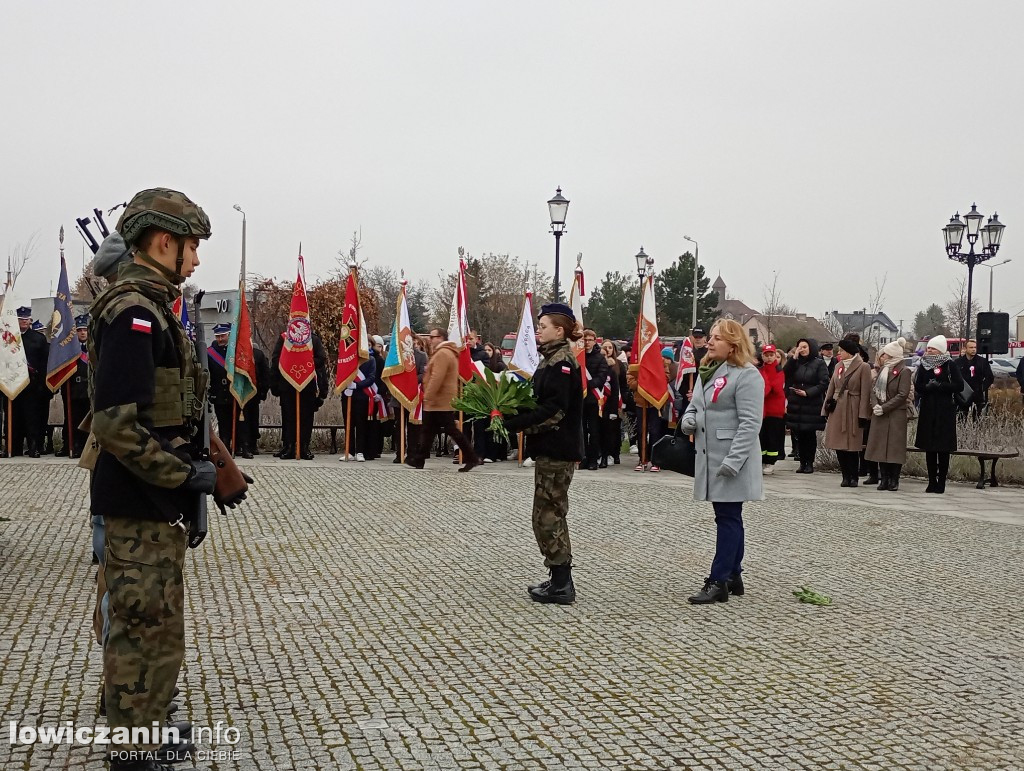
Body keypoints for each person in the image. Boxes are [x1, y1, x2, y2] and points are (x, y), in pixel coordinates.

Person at [88, 187, 216, 769]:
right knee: (140, 621)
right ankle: (132, 748)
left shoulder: (155, 307)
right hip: (139, 500)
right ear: (163, 242)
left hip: (155, 503)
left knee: (157, 618)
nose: (195, 260)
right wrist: (187, 475)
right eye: (191, 248)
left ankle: (148, 725)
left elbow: (175, 410)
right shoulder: (133, 313)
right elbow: (117, 425)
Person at [502, 303, 585, 604]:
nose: (538, 330)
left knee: (548, 515)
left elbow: (555, 410)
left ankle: (562, 583)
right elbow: (540, 401)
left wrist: (517, 424)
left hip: (557, 448)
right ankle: (558, 578)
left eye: (543, 326)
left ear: (559, 330)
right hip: (551, 448)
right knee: (546, 514)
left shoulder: (561, 363)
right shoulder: (550, 359)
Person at [680, 319, 763, 604]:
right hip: (710, 456)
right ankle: (732, 574)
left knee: (728, 517)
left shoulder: (747, 375)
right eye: (711, 337)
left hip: (730, 458)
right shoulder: (709, 371)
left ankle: (718, 581)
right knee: (728, 516)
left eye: (717, 338)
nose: (710, 342)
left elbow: (751, 423)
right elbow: (696, 405)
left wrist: (734, 461)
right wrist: (689, 418)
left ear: (733, 346)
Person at [406, 328, 480, 471]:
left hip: (439, 400)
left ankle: (472, 457)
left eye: (433, 337)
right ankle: (419, 459)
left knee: (451, 431)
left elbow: (437, 377)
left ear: (441, 338)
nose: (430, 339)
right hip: (439, 400)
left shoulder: (443, 354)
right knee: (428, 431)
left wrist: (428, 395)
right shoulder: (444, 353)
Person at [914, 335, 963, 494]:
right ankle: (931, 481)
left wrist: (941, 385)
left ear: (940, 350)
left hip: (945, 410)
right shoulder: (923, 365)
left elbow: (959, 385)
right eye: (928, 348)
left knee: (943, 448)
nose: (929, 350)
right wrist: (927, 387)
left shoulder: (950, 364)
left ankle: (941, 481)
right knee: (929, 448)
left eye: (933, 348)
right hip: (928, 409)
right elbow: (918, 385)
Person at [270, 328, 329, 460]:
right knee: (288, 417)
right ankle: (289, 446)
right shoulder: (284, 338)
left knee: (306, 418)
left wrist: (304, 361)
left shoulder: (313, 339)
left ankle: (304, 447)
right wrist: (274, 384)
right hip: (287, 386)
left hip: (307, 386)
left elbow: (321, 359)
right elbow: (276, 360)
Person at [822, 339, 872, 487]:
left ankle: (854, 476)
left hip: (853, 407)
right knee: (838, 444)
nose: (838, 353)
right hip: (838, 408)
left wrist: (863, 414)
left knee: (852, 446)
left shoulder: (863, 367)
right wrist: (825, 408)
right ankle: (845, 476)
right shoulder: (838, 366)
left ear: (849, 352)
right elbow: (832, 387)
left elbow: (866, 392)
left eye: (841, 350)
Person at [866, 338, 911, 491]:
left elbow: (902, 394)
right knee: (880, 447)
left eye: (884, 355)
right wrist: (875, 405)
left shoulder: (904, 371)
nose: (882, 357)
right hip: (880, 413)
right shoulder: (883, 370)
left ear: (892, 356)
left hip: (895, 414)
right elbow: (873, 390)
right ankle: (883, 478)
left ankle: (894, 479)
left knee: (894, 448)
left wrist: (884, 407)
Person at [783, 338, 829, 474]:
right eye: (799, 347)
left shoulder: (819, 363)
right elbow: (785, 373)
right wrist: (793, 357)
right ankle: (802, 462)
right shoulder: (795, 362)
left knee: (809, 434)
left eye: (804, 347)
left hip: (811, 403)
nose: (802, 349)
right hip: (797, 403)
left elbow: (824, 382)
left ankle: (809, 462)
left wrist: (808, 392)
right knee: (799, 434)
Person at [11, 307, 49, 457]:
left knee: (32, 417)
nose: (24, 321)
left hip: (32, 385)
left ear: (30, 320)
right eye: (21, 319)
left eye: (26, 319)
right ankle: (13, 447)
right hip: (13, 383)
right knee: (14, 416)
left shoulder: (38, 338)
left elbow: (44, 363)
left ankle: (34, 446)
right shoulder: (9, 338)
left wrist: (42, 385)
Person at [55, 314, 91, 458]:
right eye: (79, 330)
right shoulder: (69, 349)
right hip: (73, 388)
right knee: (72, 418)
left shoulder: (94, 347)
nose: (82, 333)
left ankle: (87, 446)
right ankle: (72, 445)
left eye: (85, 330)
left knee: (88, 419)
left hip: (89, 388)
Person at [340, 352, 377, 462]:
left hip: (362, 396)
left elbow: (371, 378)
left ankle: (360, 451)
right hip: (347, 395)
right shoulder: (347, 358)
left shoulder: (370, 360)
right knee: (348, 424)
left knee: (361, 425)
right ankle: (349, 451)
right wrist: (345, 386)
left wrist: (357, 385)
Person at [581, 328, 609, 470]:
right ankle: (583, 458)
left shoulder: (600, 358)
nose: (587, 342)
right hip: (580, 400)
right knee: (581, 431)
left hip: (593, 399)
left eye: (590, 340)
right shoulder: (578, 357)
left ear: (594, 341)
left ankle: (593, 460)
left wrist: (587, 385)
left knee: (594, 431)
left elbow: (601, 377)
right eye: (585, 340)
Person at [758, 344, 786, 474]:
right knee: (762, 436)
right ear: (762, 356)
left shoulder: (779, 371)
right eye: (766, 355)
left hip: (774, 409)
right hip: (762, 409)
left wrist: (765, 384)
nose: (769, 358)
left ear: (775, 355)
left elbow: (774, 388)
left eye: (771, 355)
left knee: (772, 437)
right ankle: (762, 460)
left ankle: (770, 461)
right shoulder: (760, 370)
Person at [207, 322, 234, 451]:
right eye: (218, 336)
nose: (220, 339)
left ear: (229, 335)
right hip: (219, 393)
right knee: (223, 422)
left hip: (234, 392)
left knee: (236, 422)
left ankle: (239, 446)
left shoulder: (235, 351)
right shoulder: (210, 353)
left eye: (223, 336)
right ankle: (225, 446)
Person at [599, 340, 625, 466]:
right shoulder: (597, 367)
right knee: (601, 430)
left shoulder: (617, 365)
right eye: (605, 347)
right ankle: (602, 454)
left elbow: (621, 386)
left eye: (610, 347)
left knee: (613, 430)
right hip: (600, 402)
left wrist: (622, 403)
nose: (608, 350)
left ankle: (614, 453)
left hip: (614, 402)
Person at [955, 339, 994, 421]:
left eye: (975, 347)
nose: (973, 349)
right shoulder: (958, 362)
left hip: (977, 395)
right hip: (962, 395)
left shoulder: (982, 362)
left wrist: (981, 388)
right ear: (965, 349)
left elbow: (989, 377)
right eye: (971, 347)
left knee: (976, 419)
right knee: (961, 418)